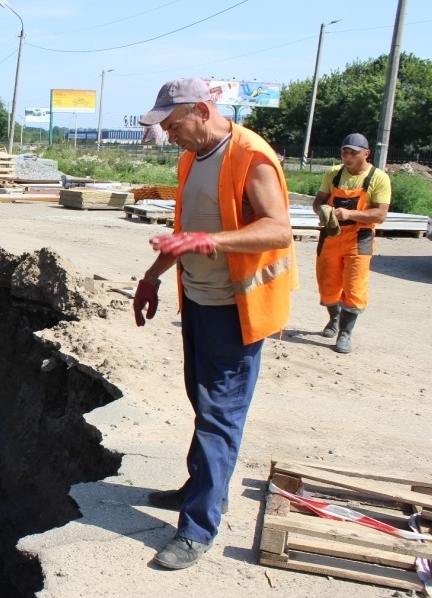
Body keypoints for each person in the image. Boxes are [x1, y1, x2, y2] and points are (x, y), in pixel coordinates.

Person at [132, 78, 297, 570]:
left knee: (219, 417)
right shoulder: (191, 158)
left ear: (202, 111)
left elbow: (279, 229)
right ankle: (200, 487)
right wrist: (152, 277)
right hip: (199, 302)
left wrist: (212, 242)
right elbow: (185, 233)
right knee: (202, 403)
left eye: (173, 125)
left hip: (236, 309)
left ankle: (197, 528)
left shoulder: (251, 155)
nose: (169, 136)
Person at [311, 133, 390, 353]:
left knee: (354, 287)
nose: (347, 157)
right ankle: (334, 319)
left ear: (366, 153)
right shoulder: (333, 174)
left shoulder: (378, 178)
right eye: (344, 152)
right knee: (327, 286)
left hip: (359, 238)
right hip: (331, 236)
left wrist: (350, 214)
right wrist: (322, 210)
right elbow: (318, 201)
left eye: (353, 153)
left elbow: (380, 215)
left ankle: (345, 334)